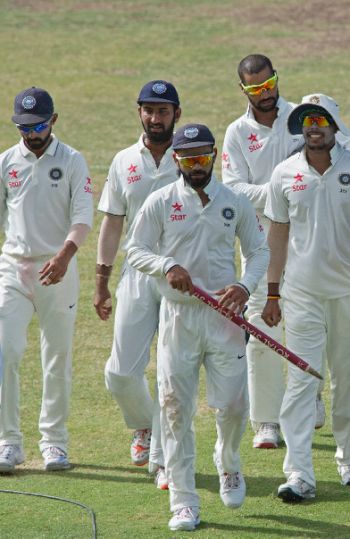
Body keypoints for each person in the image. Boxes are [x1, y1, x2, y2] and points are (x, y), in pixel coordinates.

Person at [223, 54, 350, 448]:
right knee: (264, 329)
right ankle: (267, 422)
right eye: (255, 89)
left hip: (309, 244)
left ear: (276, 79)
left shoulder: (303, 115)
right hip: (259, 245)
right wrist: (280, 191)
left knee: (312, 328)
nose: (265, 94)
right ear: (244, 91)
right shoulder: (237, 133)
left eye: (269, 84)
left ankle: (313, 395)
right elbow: (233, 187)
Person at [127, 124, 268, 531]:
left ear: (214, 155)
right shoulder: (160, 202)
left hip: (225, 317)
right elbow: (136, 249)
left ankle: (228, 461)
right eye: (188, 158)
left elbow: (259, 251)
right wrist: (166, 266)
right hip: (179, 318)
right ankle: (184, 500)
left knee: (234, 406)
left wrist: (244, 286)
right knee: (174, 410)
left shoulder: (234, 202)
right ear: (176, 160)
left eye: (203, 156)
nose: (196, 165)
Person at [262, 95, 350, 502]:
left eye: (321, 119)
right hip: (301, 295)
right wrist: (272, 291)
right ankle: (298, 473)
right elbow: (277, 236)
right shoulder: (283, 174)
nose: (313, 127)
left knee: (347, 375)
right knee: (301, 381)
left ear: (335, 125)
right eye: (306, 121)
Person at [0, 87, 94, 473]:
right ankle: (8, 443)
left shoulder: (72, 161)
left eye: (38, 126)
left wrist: (63, 257)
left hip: (59, 268)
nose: (31, 134)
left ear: (53, 120)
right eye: (24, 127)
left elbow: (83, 218)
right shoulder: (7, 161)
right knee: (5, 353)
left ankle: (54, 442)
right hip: (14, 269)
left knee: (57, 356)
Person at [94, 80, 181, 490]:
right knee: (120, 373)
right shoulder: (124, 160)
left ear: (176, 115)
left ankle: (164, 459)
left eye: (163, 111)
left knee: (169, 371)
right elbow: (112, 222)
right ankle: (143, 426)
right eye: (149, 110)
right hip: (137, 274)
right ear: (139, 112)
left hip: (182, 279)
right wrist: (101, 281)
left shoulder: (191, 157)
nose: (155, 117)